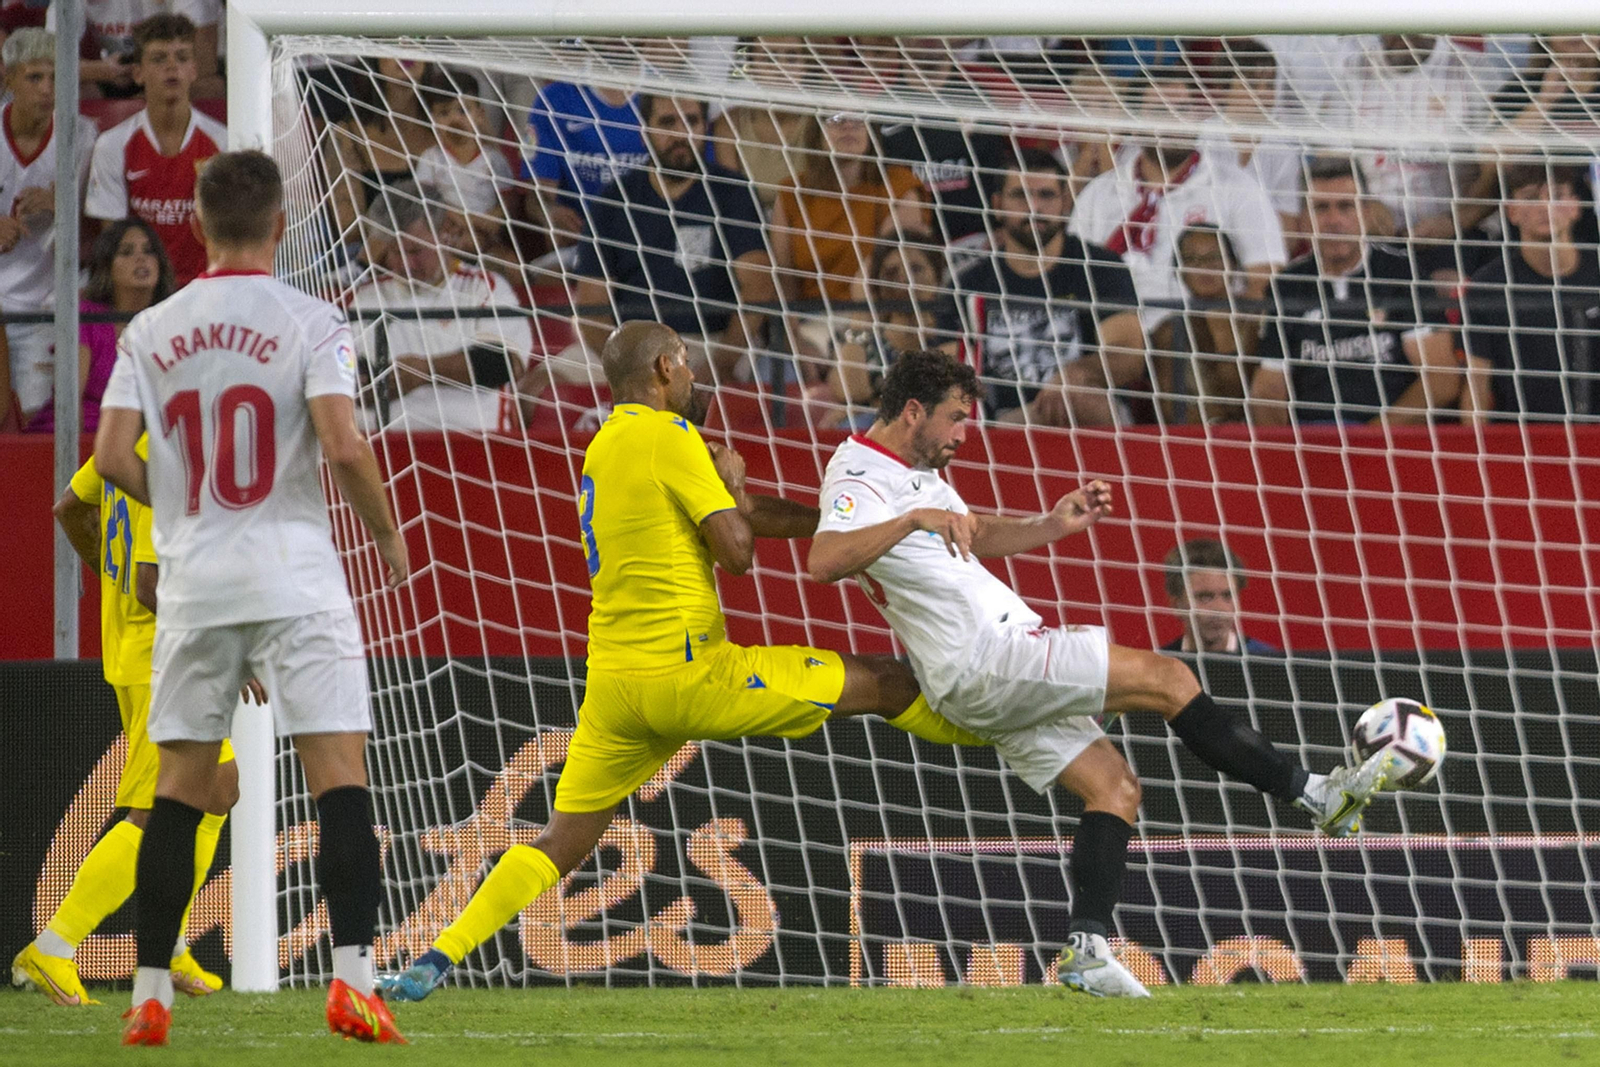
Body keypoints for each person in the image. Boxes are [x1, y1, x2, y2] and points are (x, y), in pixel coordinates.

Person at [375, 321, 987, 1004]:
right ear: (665, 368)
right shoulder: (670, 436)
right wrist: (726, 477)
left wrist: (833, 520)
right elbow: (737, 550)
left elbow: (745, 516)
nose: (697, 377)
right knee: (886, 680)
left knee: (558, 841)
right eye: (689, 364)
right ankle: (1001, 730)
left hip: (614, 686)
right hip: (694, 674)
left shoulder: (605, 445)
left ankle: (436, 954)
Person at [805, 349, 1392, 997]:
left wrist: (1052, 524)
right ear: (912, 411)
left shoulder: (919, 469)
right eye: (954, 418)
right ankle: (1317, 794)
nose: (964, 434)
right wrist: (913, 517)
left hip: (987, 668)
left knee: (1114, 787)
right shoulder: (859, 472)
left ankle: (1086, 947)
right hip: (987, 659)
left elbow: (968, 535)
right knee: (1168, 677)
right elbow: (824, 558)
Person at [94, 150, 411, 1046]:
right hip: (296, 573)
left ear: (194, 223)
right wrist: (387, 536)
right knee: (339, 780)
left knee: (180, 791)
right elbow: (344, 445)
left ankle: (150, 990)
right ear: (281, 226)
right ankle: (352, 980)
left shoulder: (151, 329)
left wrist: (193, 505)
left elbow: (115, 456)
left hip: (195, 582)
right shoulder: (312, 318)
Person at [11, 432, 238, 1007]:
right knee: (155, 813)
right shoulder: (167, 449)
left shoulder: (130, 439)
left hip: (140, 651)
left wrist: (102, 571)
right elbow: (149, 583)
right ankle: (55, 947)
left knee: (219, 791)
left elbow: (70, 507)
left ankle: (173, 941)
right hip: (161, 660)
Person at [548, 94, 777, 389]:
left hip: (712, 344)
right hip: (630, 350)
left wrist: (722, 363)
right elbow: (592, 307)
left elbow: (758, 286)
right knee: (540, 387)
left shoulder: (733, 194)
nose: (681, 133)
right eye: (668, 122)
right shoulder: (614, 200)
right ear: (646, 133)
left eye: (691, 121)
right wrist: (626, 369)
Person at [1069, 66, 1287, 331]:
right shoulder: (1098, 194)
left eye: (1183, 110)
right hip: (1110, 338)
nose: (1174, 120)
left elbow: (1266, 280)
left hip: (1200, 343)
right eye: (1160, 111)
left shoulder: (1236, 188)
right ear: (1133, 121)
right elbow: (1072, 276)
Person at [1249, 157, 1460, 426]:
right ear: (1304, 220)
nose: (1334, 220)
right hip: (1314, 443)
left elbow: (1441, 380)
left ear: (1366, 213)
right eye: (1321, 208)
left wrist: (1370, 439)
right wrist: (1292, 457)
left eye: (1346, 207)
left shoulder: (1401, 273)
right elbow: (1268, 390)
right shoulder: (1287, 285)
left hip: (1388, 440)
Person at [939, 148, 1144, 427]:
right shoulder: (969, 283)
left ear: (1064, 202)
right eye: (1021, 196)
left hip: (1085, 414)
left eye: (1046, 196)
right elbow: (946, 371)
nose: (1034, 207)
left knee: (1081, 397)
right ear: (997, 204)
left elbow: (1130, 355)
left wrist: (1079, 373)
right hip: (999, 425)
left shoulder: (1100, 267)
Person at [348, 182, 533, 434]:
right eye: (394, 252)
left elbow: (505, 363)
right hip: (387, 450)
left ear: (444, 231)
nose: (405, 264)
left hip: (477, 446)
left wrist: (424, 372)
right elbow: (350, 374)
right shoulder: (367, 298)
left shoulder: (486, 288)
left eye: (415, 251)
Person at [84, 14, 226, 287]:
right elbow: (114, 242)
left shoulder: (223, 144)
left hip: (204, 290)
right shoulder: (113, 145)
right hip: (141, 292)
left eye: (182, 58)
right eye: (160, 58)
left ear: (194, 69)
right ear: (138, 72)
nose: (172, 67)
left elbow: (227, 237)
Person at [0, 28, 96, 428]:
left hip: (44, 305)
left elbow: (101, 237)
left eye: (55, 77)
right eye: (34, 77)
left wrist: (64, 209)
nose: (47, 89)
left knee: (36, 417)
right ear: (8, 79)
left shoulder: (82, 135)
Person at [1461, 162, 1600, 422]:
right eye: (1531, 198)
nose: (1545, 207)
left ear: (1575, 206)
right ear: (1511, 211)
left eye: (1556, 196)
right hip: (1520, 440)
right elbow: (1476, 387)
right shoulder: (1488, 286)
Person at [29, 219, 175, 433]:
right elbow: (70, 398)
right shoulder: (87, 316)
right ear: (107, 266)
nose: (141, 258)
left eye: (149, 251)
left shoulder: (171, 318)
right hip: (85, 433)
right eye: (126, 252)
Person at [818, 235, 948, 429]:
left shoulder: (952, 332)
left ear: (937, 277)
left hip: (934, 428)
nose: (904, 279)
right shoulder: (859, 337)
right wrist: (861, 311)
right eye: (891, 272)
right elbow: (850, 392)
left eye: (916, 268)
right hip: (875, 428)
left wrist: (873, 405)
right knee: (853, 425)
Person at [521, 78, 648, 249]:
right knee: (546, 274)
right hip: (582, 244)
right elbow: (536, 199)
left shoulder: (664, 92)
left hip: (651, 242)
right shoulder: (554, 98)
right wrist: (549, 213)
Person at [412, 68, 517, 268]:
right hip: (445, 235)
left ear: (480, 114)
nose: (454, 120)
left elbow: (507, 204)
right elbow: (428, 203)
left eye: (463, 110)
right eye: (444, 113)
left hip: (486, 238)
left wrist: (490, 221)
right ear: (432, 118)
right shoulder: (430, 159)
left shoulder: (494, 159)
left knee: (510, 264)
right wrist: (465, 222)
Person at [1152, 224, 1252, 425]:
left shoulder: (1258, 323)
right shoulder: (1169, 331)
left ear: (1232, 264)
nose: (1203, 268)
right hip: (1198, 440)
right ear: (1179, 271)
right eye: (1192, 260)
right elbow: (1170, 410)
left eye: (1214, 258)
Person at [47, 0, 223, 99]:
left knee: (210, 87)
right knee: (56, 90)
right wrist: (102, 71)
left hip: (183, 70)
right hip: (121, 71)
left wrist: (149, 91)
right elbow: (47, 62)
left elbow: (203, 68)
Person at [1161, 539, 1279, 654]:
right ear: (1176, 604)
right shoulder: (1158, 665)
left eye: (1227, 596)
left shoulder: (1269, 663)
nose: (1218, 609)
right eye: (1204, 597)